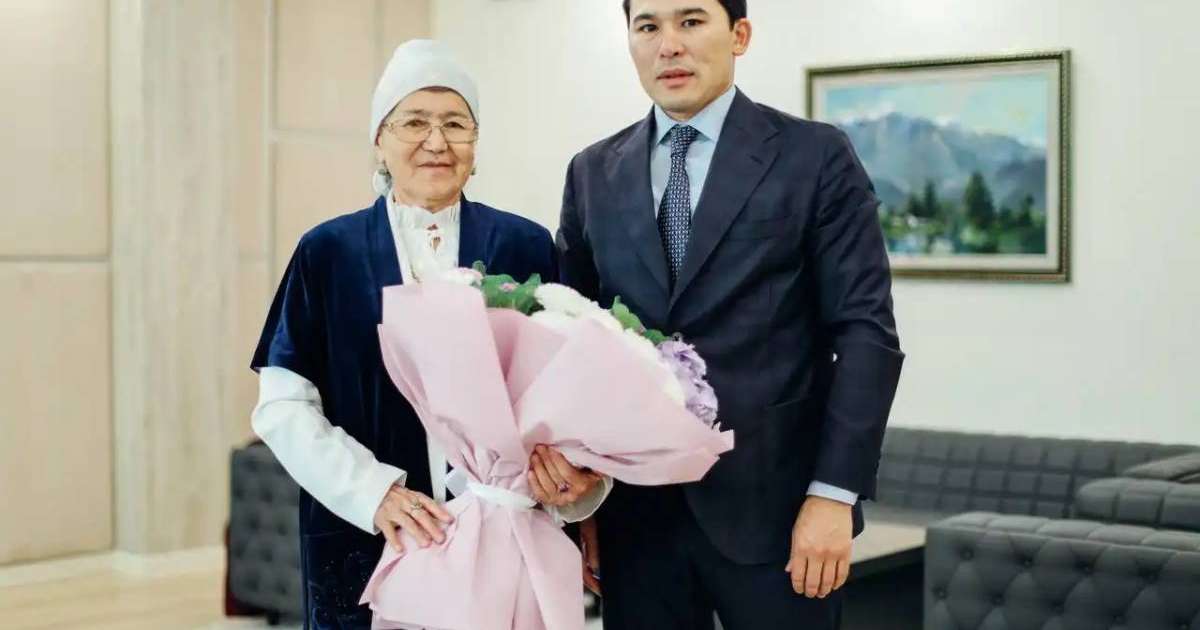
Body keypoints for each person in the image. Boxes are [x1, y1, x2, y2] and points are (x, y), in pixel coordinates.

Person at [555, 2, 905, 628]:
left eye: (691, 22)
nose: (669, 45)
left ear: (739, 34)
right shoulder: (591, 173)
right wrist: (587, 496)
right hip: (638, 519)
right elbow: (575, 342)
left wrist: (833, 494)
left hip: (780, 515)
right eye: (648, 26)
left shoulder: (815, 156)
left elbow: (865, 334)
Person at [251, 40, 606, 630]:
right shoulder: (326, 252)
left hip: (505, 538)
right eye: (414, 122)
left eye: (455, 124)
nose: (437, 142)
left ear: (475, 142)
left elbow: (570, 399)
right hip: (366, 535)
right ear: (380, 141)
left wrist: (579, 485)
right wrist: (375, 494)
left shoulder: (526, 244)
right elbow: (283, 407)